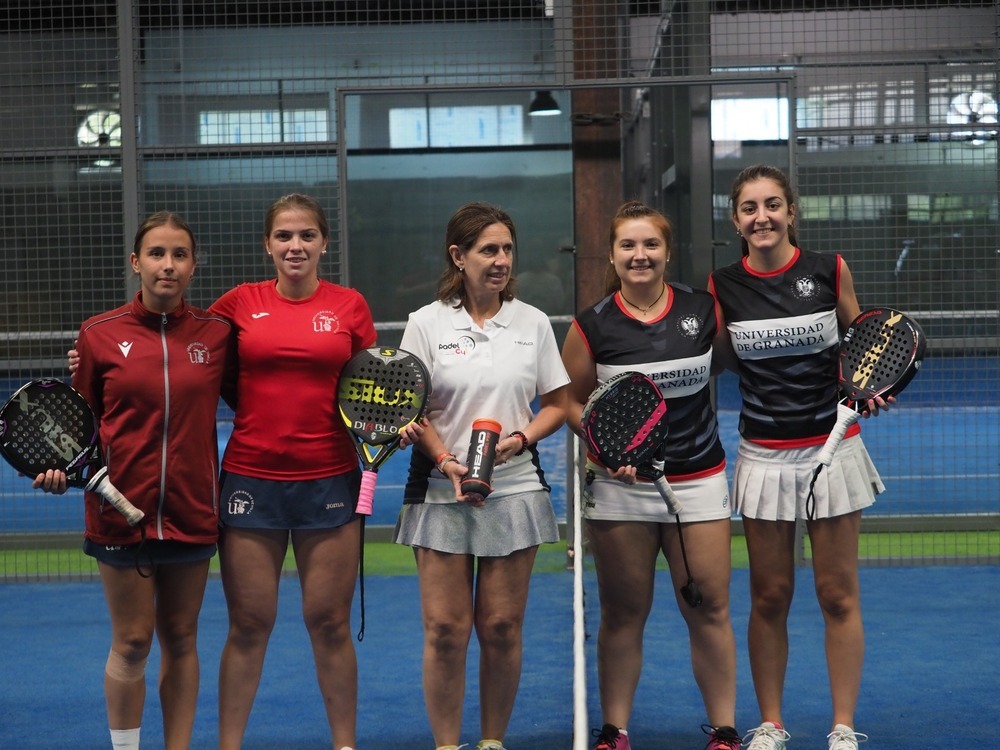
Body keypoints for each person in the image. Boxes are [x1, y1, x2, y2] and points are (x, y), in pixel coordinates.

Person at [209, 193, 419, 750]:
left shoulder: (349, 306)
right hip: (251, 482)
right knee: (249, 625)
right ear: (268, 245)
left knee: (328, 624)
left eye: (306, 235)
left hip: (330, 482)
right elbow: (189, 351)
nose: (295, 246)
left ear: (324, 243)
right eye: (284, 236)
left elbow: (373, 388)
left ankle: (343, 745)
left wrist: (389, 428)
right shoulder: (237, 304)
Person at [35, 211, 233, 750]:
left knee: (182, 637)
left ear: (193, 265)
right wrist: (58, 472)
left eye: (179, 255)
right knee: (132, 640)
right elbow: (73, 431)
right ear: (136, 263)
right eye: (156, 254)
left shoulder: (217, 336)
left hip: (194, 513)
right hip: (118, 513)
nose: (167, 265)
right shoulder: (98, 336)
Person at [709, 165, 885, 750]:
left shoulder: (828, 270)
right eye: (750, 208)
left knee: (837, 594)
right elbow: (721, 361)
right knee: (769, 595)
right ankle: (771, 724)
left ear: (791, 212)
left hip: (832, 450)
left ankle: (841, 727)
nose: (762, 217)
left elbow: (858, 345)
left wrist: (866, 387)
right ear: (735, 220)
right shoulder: (721, 287)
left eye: (773, 205)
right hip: (763, 456)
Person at [561, 201, 740, 750]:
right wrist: (603, 443)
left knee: (707, 605)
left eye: (651, 245)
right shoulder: (591, 325)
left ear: (666, 251)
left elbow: (730, 362)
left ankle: (726, 731)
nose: (640, 256)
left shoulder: (702, 310)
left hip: (698, 481)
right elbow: (568, 401)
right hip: (620, 489)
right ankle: (615, 730)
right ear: (612, 255)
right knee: (623, 611)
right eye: (628, 246)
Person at [394, 201, 570, 750]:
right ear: (458, 256)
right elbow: (409, 408)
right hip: (439, 489)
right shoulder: (425, 323)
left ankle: (492, 741)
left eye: (507, 249)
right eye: (488, 249)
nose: (500, 260)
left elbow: (559, 404)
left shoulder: (534, 322)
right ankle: (448, 744)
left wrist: (518, 441)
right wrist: (446, 461)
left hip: (514, 489)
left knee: (500, 628)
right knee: (446, 631)